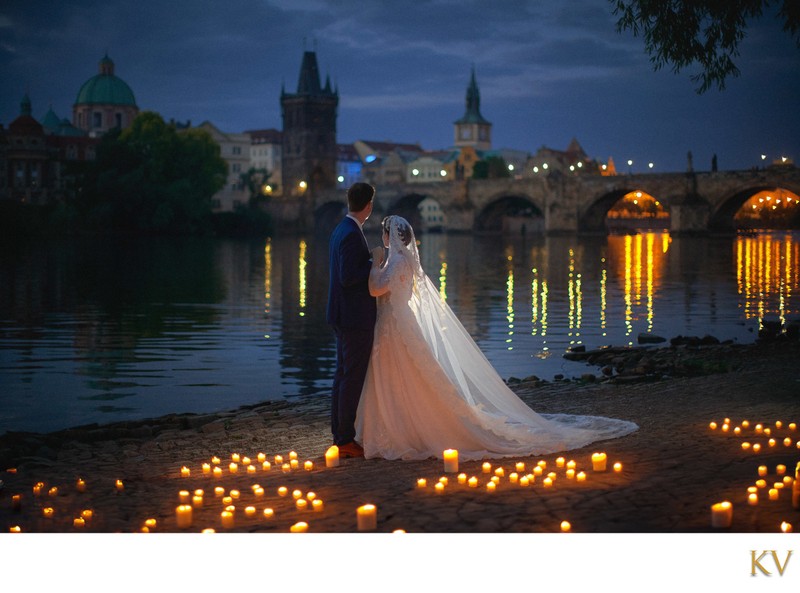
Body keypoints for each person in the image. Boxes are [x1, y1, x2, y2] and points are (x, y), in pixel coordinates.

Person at [355, 215, 638, 460]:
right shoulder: (408, 262)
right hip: (401, 323)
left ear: (390, 235)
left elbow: (377, 289)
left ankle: (402, 427)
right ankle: (405, 421)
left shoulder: (393, 263)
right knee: (412, 372)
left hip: (394, 324)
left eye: (384, 233)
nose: (383, 237)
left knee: (399, 372)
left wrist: (374, 264)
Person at [326, 182, 378, 458]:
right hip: (353, 317)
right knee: (351, 377)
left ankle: (339, 433)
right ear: (368, 206)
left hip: (341, 313)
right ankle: (344, 439)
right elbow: (349, 277)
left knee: (342, 375)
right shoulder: (350, 235)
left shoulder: (340, 230)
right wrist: (374, 264)